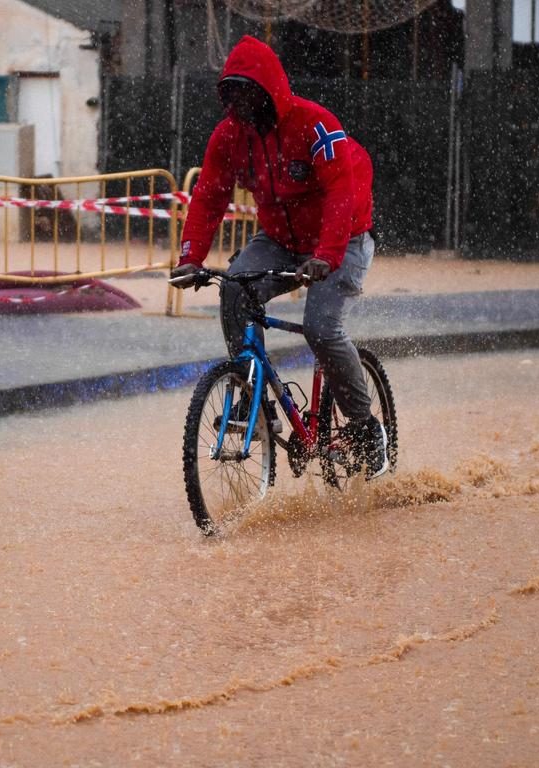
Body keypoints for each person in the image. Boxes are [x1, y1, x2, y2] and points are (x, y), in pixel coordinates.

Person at [170, 35, 388, 480]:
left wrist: (326, 255)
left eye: (248, 93)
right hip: (281, 240)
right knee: (233, 288)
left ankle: (367, 429)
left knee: (321, 329)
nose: (240, 104)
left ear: (270, 91)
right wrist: (191, 257)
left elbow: (340, 195)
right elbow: (209, 196)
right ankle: (254, 401)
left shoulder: (316, 126)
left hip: (343, 238)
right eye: (232, 94)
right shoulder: (229, 136)